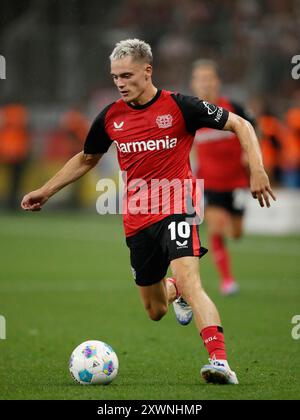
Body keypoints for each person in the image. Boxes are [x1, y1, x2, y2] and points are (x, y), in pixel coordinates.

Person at [21, 39, 276, 385]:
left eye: (127, 75)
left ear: (147, 71)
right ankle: (174, 290)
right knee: (155, 309)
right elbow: (87, 158)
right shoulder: (111, 116)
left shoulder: (181, 107)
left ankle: (219, 361)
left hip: (178, 207)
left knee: (192, 280)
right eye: (115, 77)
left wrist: (257, 169)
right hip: (137, 218)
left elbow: (241, 125)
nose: (120, 83)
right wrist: (45, 191)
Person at [190, 59, 256, 295]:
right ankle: (227, 280)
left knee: (236, 234)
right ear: (194, 84)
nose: (205, 83)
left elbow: (253, 129)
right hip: (210, 183)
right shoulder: (191, 114)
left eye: (209, 78)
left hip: (237, 182)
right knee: (216, 226)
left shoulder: (234, 109)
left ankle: (226, 268)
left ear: (218, 81)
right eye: (200, 79)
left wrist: (251, 157)